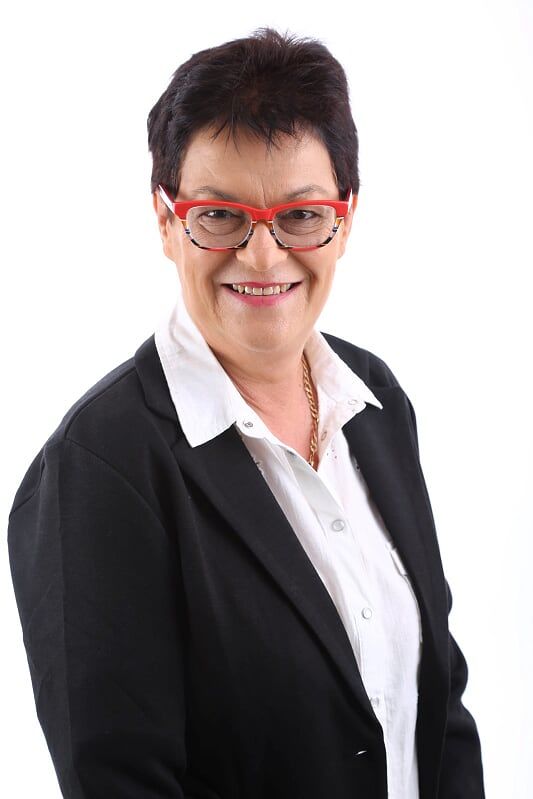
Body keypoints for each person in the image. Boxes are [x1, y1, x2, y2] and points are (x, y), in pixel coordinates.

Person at [7, 26, 485, 799]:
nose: (262, 256)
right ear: (166, 220)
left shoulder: (375, 401)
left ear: (345, 218)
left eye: (300, 215)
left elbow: (438, 703)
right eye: (219, 215)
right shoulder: (97, 469)